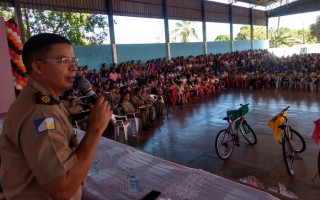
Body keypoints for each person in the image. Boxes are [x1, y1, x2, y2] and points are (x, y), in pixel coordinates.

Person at [0, 33, 112, 200]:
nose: (74, 67)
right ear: (38, 67)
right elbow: (62, 190)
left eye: (74, 61)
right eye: (63, 61)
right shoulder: (41, 112)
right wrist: (95, 129)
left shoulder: (47, 101)